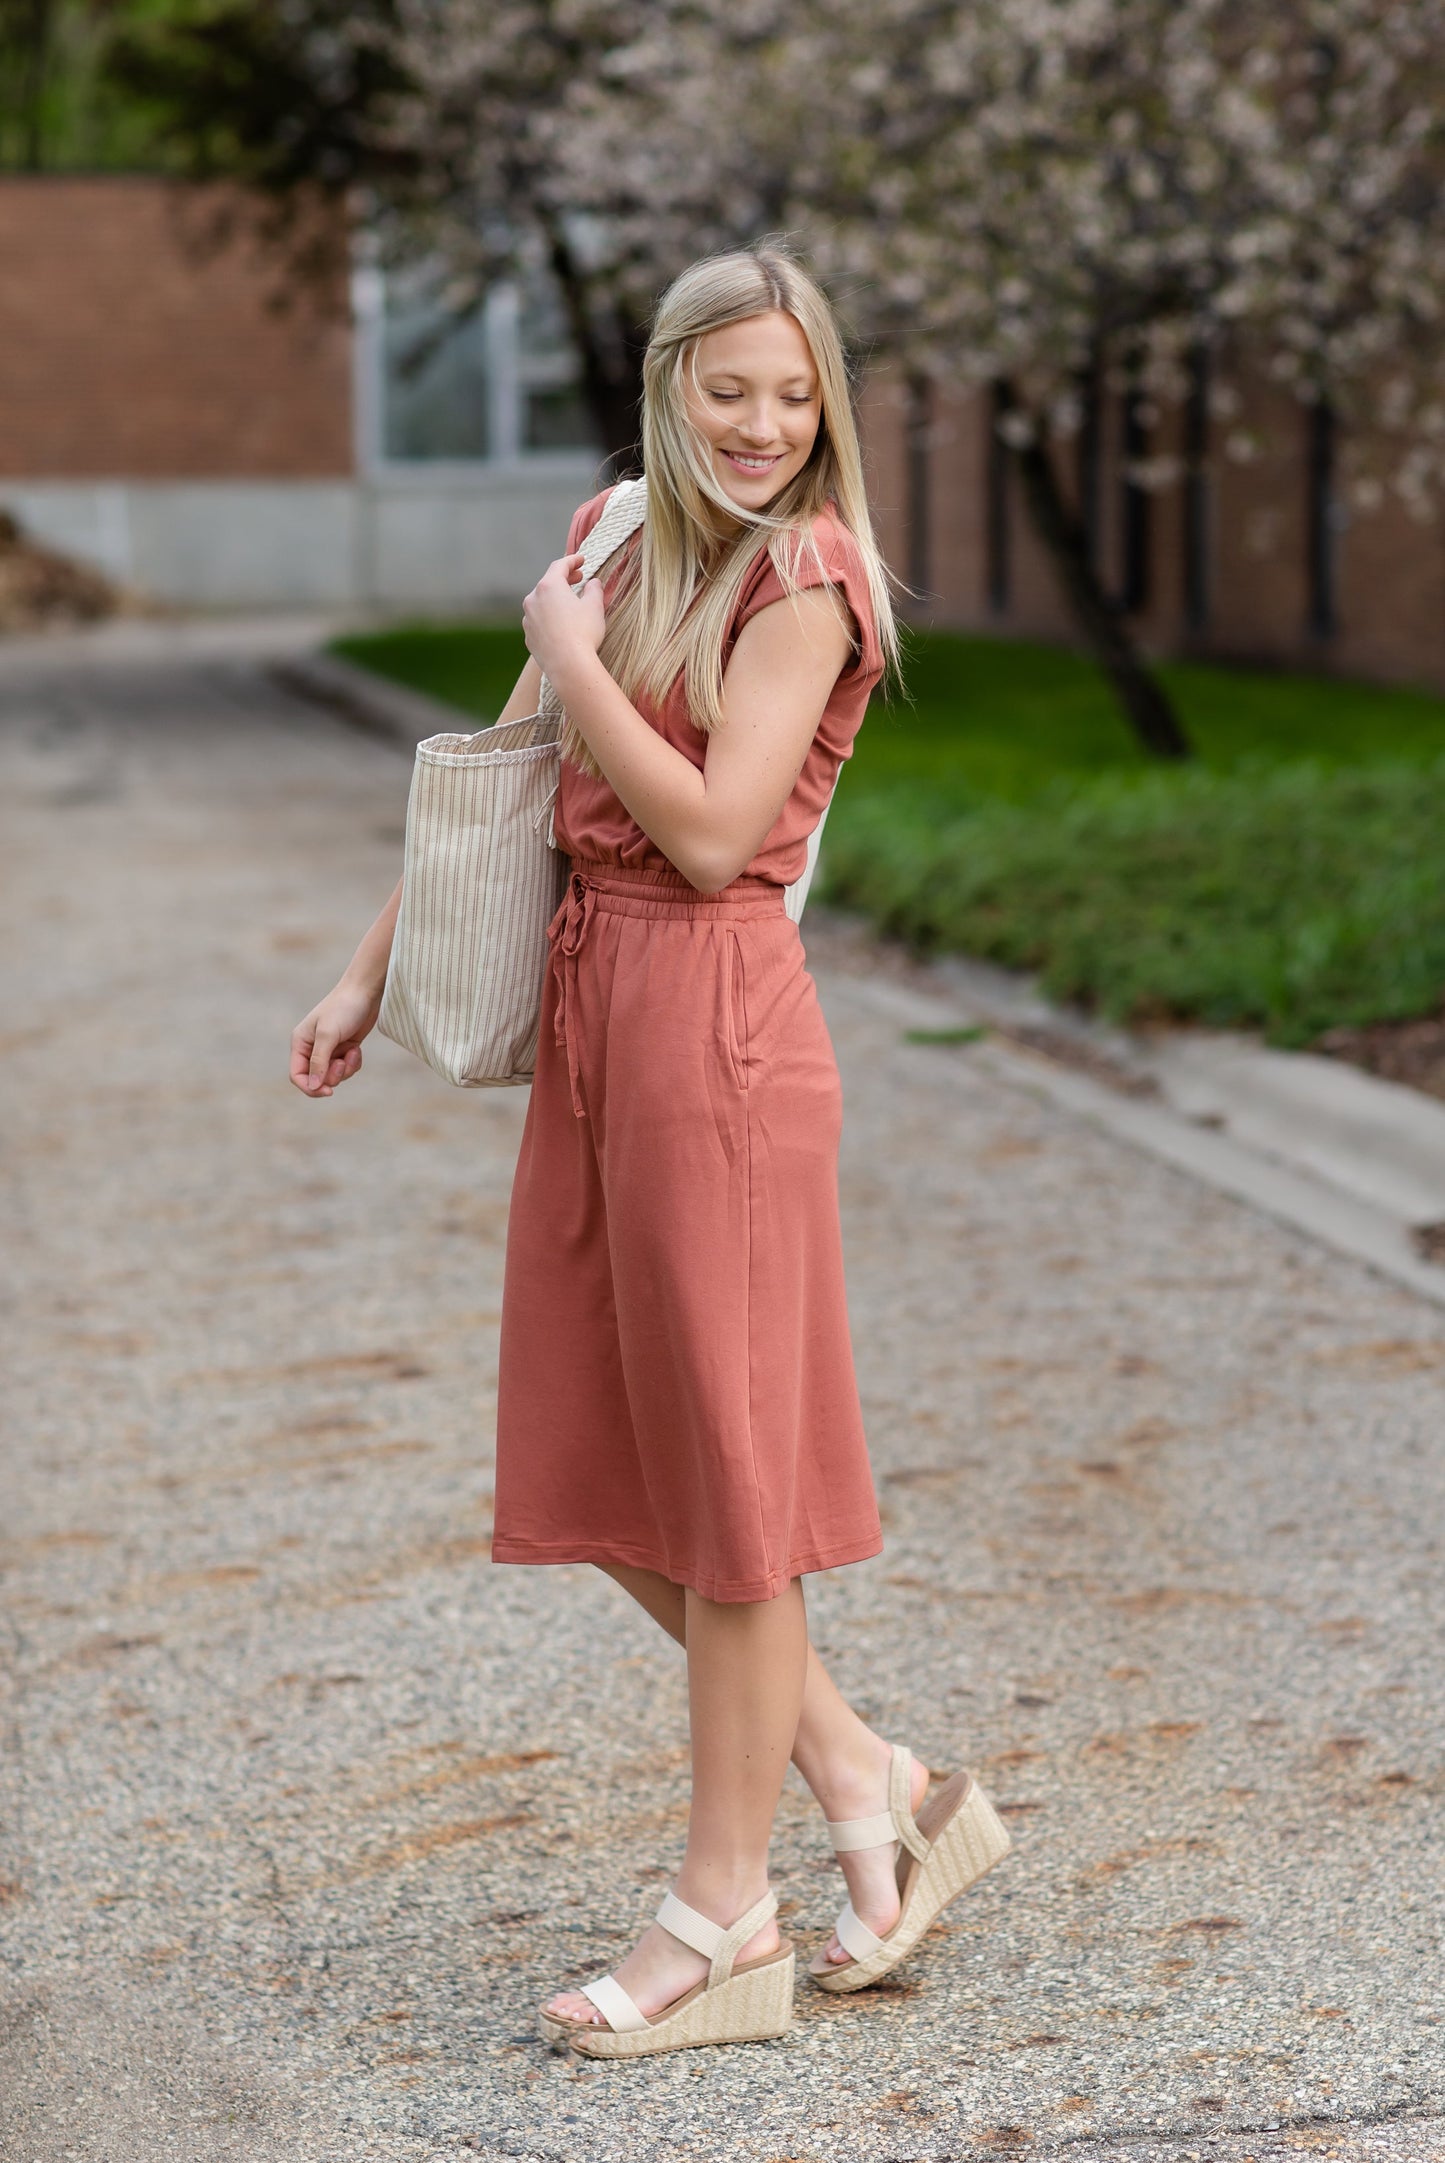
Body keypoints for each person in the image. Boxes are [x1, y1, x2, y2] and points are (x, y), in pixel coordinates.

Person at [289, 242, 1010, 2060]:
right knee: (607, 1458)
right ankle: (872, 1782)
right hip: (597, 1025)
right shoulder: (620, 529)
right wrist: (367, 971)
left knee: (729, 1497)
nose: (763, 427)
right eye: (729, 390)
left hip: (717, 1029)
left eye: (794, 395)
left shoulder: (812, 575)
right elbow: (516, 784)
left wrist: (562, 650)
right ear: (667, 382)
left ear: (823, 406)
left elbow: (705, 832)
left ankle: (722, 1915)